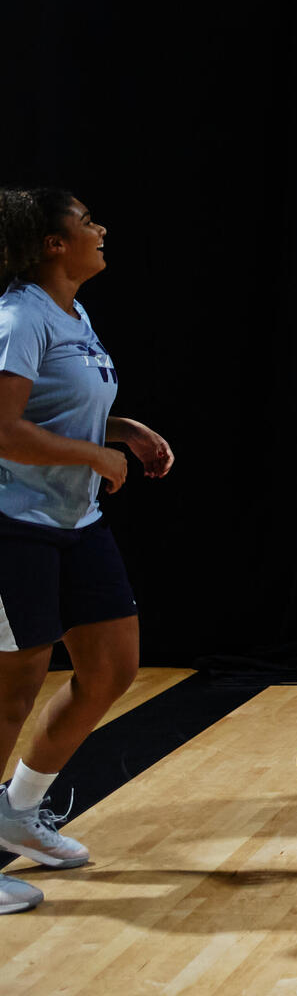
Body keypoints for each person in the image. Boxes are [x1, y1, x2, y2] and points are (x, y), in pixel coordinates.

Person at [0, 188, 174, 915]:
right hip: (14, 523)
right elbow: (5, 430)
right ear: (51, 242)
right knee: (14, 687)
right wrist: (93, 456)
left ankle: (19, 811)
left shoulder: (73, 310)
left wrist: (122, 430)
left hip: (73, 522)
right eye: (85, 221)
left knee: (111, 667)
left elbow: (61, 403)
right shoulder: (17, 316)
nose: (100, 228)